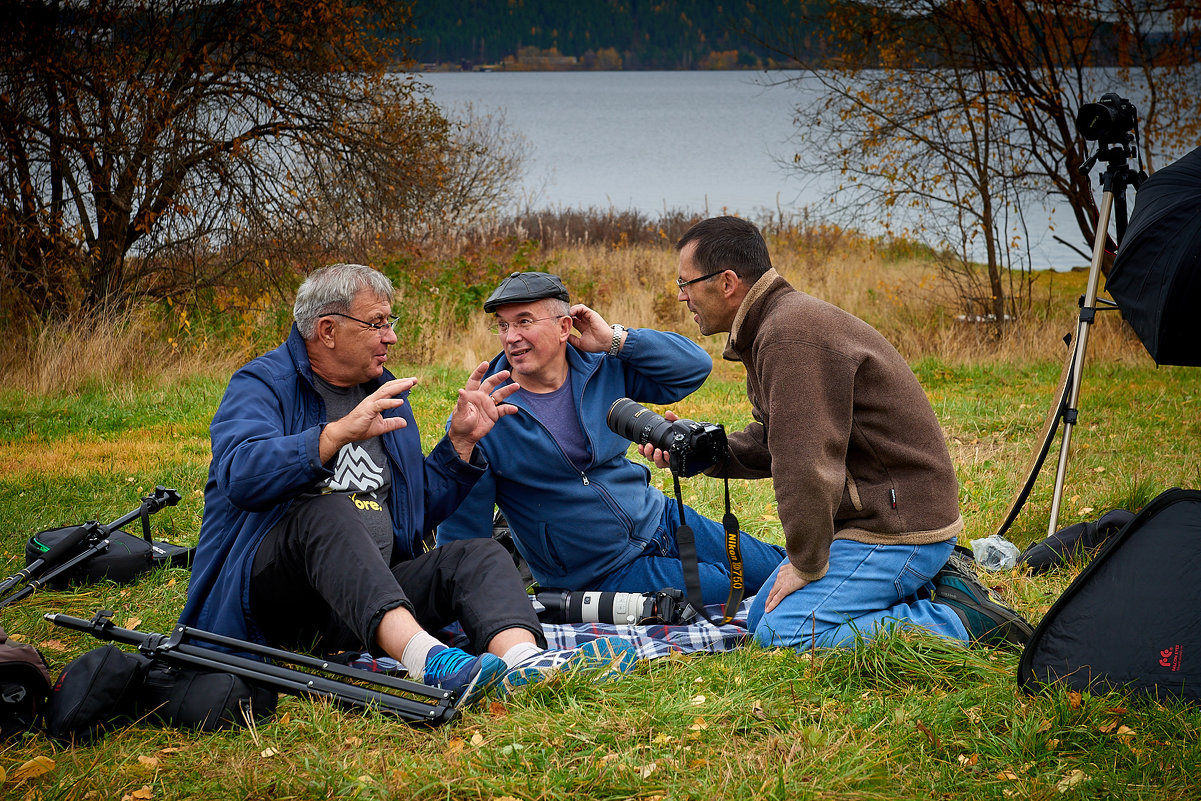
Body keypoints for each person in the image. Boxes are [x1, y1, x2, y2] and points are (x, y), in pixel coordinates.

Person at [178, 264, 636, 705]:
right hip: (275, 606)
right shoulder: (263, 383)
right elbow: (240, 474)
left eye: (389, 321)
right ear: (328, 329)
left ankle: (526, 662)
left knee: (478, 554)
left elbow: (411, 513)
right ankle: (429, 659)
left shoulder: (384, 391)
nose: (391, 336)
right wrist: (334, 435)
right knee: (328, 508)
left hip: (371, 602)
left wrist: (458, 445)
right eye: (377, 322)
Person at [648, 216, 1032, 650]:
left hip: (898, 527)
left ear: (728, 282)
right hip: (874, 518)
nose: (681, 296)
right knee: (759, 615)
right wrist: (705, 453)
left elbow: (805, 464)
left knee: (784, 631)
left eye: (685, 283)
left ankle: (958, 619)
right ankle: (924, 585)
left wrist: (806, 563)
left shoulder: (788, 337)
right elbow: (778, 439)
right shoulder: (776, 325)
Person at [436, 271, 786, 607]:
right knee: (728, 587)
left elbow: (694, 366)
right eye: (503, 325)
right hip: (601, 572)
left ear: (564, 327)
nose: (511, 336)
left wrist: (616, 341)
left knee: (775, 568)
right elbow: (463, 534)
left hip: (663, 518)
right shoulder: (483, 415)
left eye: (524, 321)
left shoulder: (600, 365)